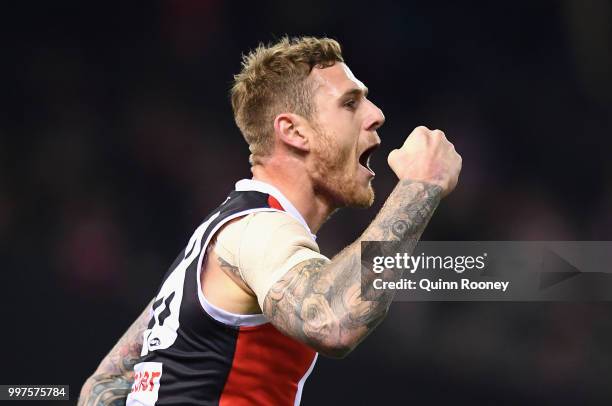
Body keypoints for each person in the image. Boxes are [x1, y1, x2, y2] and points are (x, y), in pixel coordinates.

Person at [78, 36, 462, 406]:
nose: (377, 115)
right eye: (350, 103)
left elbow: (105, 385)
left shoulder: (224, 232)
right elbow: (333, 321)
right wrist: (419, 185)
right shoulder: (257, 231)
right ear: (293, 131)